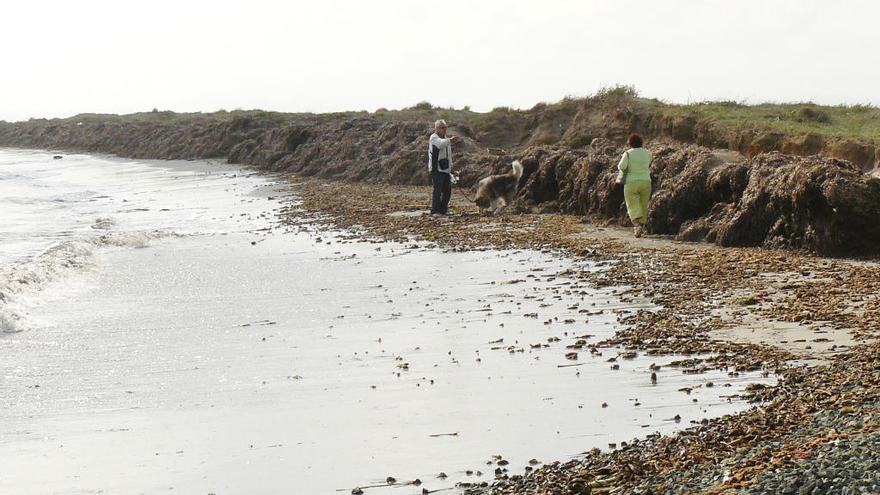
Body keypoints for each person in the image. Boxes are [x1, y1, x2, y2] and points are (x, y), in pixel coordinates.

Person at [618, 133, 652, 237]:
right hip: (646, 180)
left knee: (631, 203)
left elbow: (621, 166)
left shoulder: (628, 154)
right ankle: (642, 224)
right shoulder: (647, 153)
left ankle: (637, 225)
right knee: (644, 203)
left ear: (630, 143)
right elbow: (649, 163)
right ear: (641, 142)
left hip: (631, 182)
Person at [427, 120, 461, 216]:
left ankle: (443, 209)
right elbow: (440, 144)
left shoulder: (445, 138)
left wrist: (451, 168)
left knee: (447, 190)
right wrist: (451, 140)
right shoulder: (433, 137)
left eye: (445, 127)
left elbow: (448, 155)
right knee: (437, 190)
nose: (444, 129)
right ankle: (435, 210)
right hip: (436, 168)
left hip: (445, 168)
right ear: (436, 128)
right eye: (442, 127)